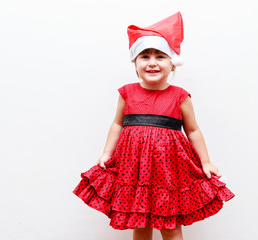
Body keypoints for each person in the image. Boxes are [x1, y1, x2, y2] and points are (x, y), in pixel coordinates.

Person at [73, 12, 235, 240]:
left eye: (160, 56)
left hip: (168, 174)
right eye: (145, 56)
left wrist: (205, 161)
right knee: (140, 224)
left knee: (170, 226)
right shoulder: (126, 93)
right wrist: (106, 154)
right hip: (134, 171)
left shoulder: (180, 96)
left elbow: (193, 130)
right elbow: (117, 124)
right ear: (135, 63)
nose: (152, 63)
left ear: (172, 63)